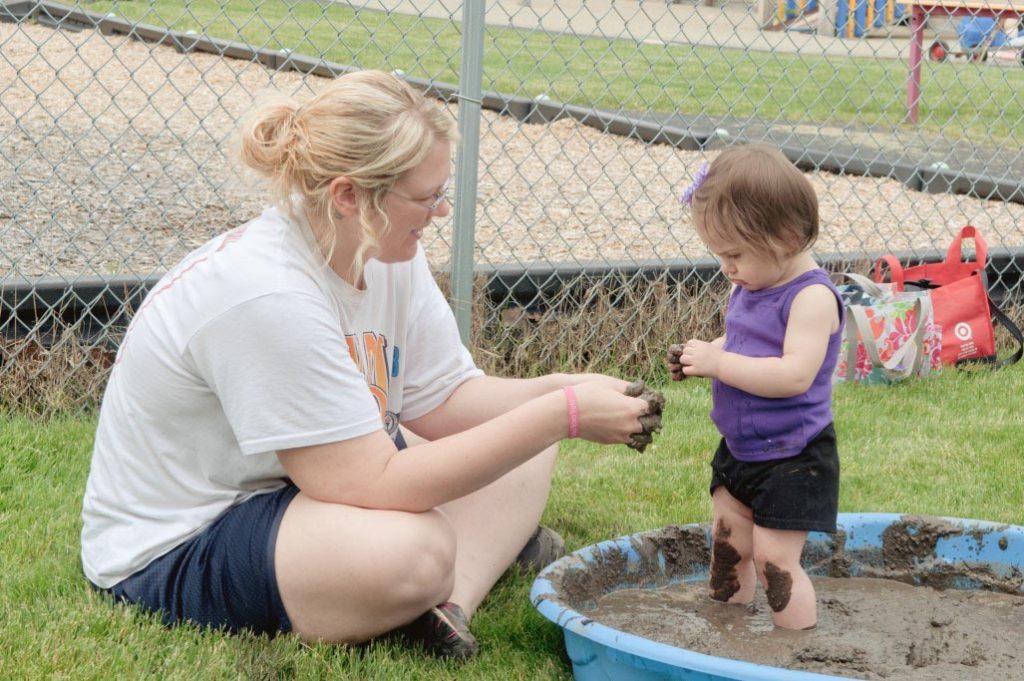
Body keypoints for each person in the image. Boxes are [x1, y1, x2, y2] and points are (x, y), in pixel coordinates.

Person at [80, 69, 651, 659]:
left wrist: (561, 392)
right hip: (189, 536)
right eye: (425, 198)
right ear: (349, 195)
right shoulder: (268, 293)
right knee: (416, 548)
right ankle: (421, 581)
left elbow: (445, 398)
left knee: (522, 435)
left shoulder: (382, 249)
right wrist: (564, 414)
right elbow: (373, 480)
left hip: (300, 490)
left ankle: (446, 609)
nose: (439, 211)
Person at [666, 145, 843, 630]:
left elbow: (792, 376)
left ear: (785, 237)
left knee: (774, 563)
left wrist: (720, 363)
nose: (726, 267)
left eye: (734, 254)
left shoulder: (810, 297)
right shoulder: (750, 283)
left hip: (794, 458)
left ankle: (792, 652)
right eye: (720, 255)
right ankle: (726, 634)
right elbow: (744, 340)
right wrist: (704, 352)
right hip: (740, 449)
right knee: (728, 548)